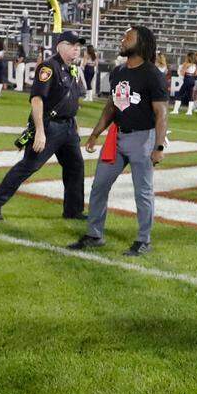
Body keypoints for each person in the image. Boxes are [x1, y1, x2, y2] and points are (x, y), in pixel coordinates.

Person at [69, 26, 168, 257]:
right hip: (118, 136)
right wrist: (95, 133)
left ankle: (144, 240)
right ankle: (94, 234)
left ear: (141, 43)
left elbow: (161, 113)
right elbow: (112, 106)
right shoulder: (119, 72)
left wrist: (159, 147)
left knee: (142, 192)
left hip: (143, 137)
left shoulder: (153, 74)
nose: (123, 40)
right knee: (99, 185)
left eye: (128, 37)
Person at [0, 31, 88, 222]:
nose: (76, 50)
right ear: (60, 46)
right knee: (29, 166)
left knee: (76, 167)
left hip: (69, 127)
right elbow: (37, 100)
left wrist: (75, 125)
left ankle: (73, 210)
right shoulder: (48, 67)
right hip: (50, 127)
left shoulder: (72, 69)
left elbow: (70, 100)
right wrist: (39, 131)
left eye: (78, 47)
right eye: (73, 46)